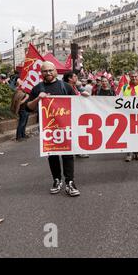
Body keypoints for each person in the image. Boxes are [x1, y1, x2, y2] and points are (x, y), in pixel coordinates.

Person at [26, 61, 80, 197]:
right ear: (41, 73)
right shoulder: (38, 88)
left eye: (50, 70)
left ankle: (70, 182)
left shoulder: (66, 86)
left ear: (56, 71)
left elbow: (77, 105)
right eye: (45, 71)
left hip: (65, 127)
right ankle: (56, 180)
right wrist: (38, 98)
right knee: (52, 154)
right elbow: (29, 107)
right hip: (48, 128)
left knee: (68, 154)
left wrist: (85, 98)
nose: (48, 73)